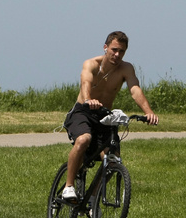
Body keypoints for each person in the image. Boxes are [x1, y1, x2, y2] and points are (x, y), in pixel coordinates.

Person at [61, 31, 158, 200]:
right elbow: (86, 83)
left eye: (121, 51)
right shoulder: (91, 64)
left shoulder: (126, 68)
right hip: (83, 112)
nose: (117, 54)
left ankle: (92, 198)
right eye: (114, 49)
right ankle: (68, 187)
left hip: (104, 116)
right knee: (83, 139)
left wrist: (148, 112)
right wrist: (88, 100)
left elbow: (134, 89)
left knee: (113, 161)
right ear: (105, 47)